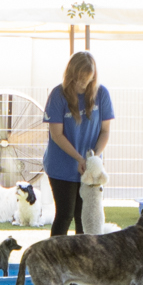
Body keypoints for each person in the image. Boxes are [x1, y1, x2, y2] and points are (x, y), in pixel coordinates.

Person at [40, 50, 114, 237]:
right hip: (62, 165)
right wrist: (79, 159)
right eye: (79, 78)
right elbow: (57, 135)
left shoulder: (102, 94)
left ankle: (82, 262)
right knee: (65, 214)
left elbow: (105, 131)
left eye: (87, 79)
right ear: (71, 74)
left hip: (89, 168)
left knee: (86, 218)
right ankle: (55, 260)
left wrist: (93, 159)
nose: (83, 83)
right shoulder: (58, 95)